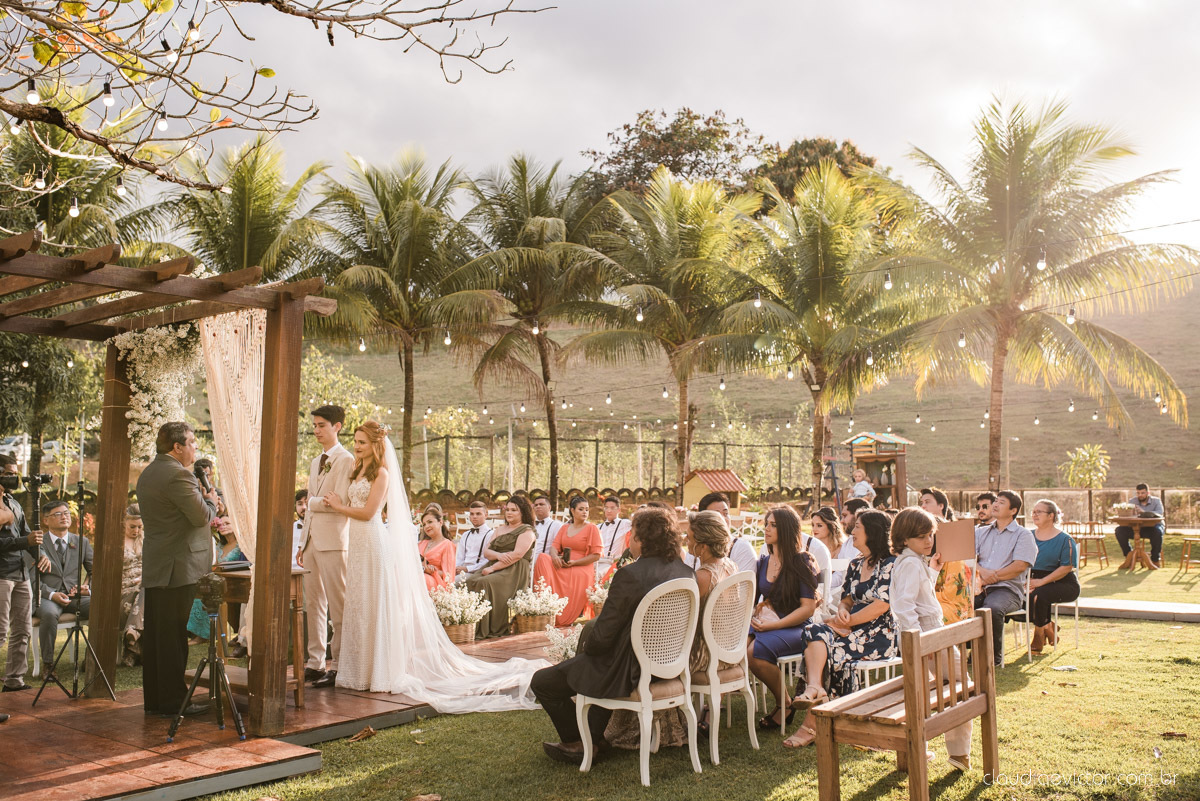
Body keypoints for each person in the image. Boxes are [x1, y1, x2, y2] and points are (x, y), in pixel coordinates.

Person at [318, 421, 545, 710]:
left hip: (373, 542)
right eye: (356, 441)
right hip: (357, 544)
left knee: (374, 605)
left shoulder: (383, 474)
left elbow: (368, 512)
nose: (357, 446)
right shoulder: (355, 470)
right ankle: (357, 671)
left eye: (362, 442)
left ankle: (379, 672)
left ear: (376, 445)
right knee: (359, 605)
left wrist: (338, 506)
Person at [531, 506, 695, 765]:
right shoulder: (685, 572)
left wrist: (586, 647)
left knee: (542, 681)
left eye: (632, 534)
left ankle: (578, 743)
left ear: (640, 540)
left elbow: (604, 636)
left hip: (629, 668)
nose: (629, 539)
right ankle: (595, 739)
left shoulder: (630, 575)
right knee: (590, 664)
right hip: (670, 664)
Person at [786, 510, 898, 748]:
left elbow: (882, 605)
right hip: (851, 627)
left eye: (857, 527)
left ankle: (811, 723)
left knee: (830, 650)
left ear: (873, 532)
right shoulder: (856, 563)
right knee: (814, 631)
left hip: (879, 633)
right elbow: (847, 598)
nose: (852, 531)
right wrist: (843, 610)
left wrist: (848, 622)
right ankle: (815, 687)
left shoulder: (890, 564)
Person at [137, 421, 220, 717]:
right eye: (192, 442)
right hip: (178, 566)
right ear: (177, 447)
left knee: (158, 636)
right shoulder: (178, 476)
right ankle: (174, 702)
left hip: (160, 563)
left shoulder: (150, 472)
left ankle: (157, 701)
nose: (195, 448)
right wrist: (210, 502)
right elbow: (200, 517)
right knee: (173, 637)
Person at [886, 507, 972, 771]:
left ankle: (923, 750)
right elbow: (904, 607)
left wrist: (933, 571)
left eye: (931, 535)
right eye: (921, 536)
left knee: (922, 690)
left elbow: (920, 596)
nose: (928, 541)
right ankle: (957, 753)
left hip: (924, 633)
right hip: (926, 635)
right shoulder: (910, 563)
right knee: (962, 687)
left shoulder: (912, 561)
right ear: (903, 539)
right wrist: (921, 644)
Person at [747, 506, 820, 731]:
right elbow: (756, 598)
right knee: (739, 647)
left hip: (797, 627)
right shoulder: (763, 562)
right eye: (766, 524)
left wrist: (774, 625)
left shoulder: (802, 561)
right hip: (767, 623)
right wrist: (753, 615)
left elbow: (807, 609)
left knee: (754, 654)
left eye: (773, 525)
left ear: (787, 529)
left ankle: (784, 704)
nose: (767, 529)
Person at [299, 405, 354, 687]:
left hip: (334, 541)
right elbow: (314, 505)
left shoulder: (346, 460)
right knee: (313, 604)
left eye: (321, 425)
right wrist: (302, 541)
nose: (316, 430)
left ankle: (340, 663)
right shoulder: (314, 461)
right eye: (315, 425)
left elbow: (339, 502)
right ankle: (315, 662)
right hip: (311, 541)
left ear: (337, 427)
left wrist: (311, 503)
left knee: (338, 605)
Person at [974, 490, 1037, 667]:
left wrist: (991, 577)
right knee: (964, 605)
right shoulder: (980, 532)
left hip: (1008, 590)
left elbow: (1019, 566)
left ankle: (992, 657)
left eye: (1001, 502)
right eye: (996, 501)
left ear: (1013, 510)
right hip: (980, 586)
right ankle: (970, 651)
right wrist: (982, 574)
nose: (995, 505)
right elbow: (969, 559)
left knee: (992, 609)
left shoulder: (1023, 535)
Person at [0, 453, 46, 694]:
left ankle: (14, 680)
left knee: (23, 629)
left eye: (15, 473)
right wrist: (23, 541)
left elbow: (27, 535)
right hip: (1, 574)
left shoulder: (14, 503)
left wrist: (40, 555)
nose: (14, 478)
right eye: (9, 473)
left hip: (20, 573)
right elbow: (18, 540)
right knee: (0, 631)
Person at [36, 499, 93, 678]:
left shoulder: (81, 541)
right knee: (49, 614)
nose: (64, 517)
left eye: (66, 513)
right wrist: (51, 594)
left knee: (101, 605)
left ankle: (91, 659)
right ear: (46, 520)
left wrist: (87, 588)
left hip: (75, 597)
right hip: (47, 597)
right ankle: (48, 665)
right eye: (58, 514)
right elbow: (31, 579)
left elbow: (95, 571)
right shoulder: (37, 543)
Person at [465, 497, 537, 638]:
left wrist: (493, 569)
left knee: (484, 582)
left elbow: (516, 555)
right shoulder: (500, 529)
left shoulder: (527, 532)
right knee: (470, 581)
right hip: (495, 563)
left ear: (523, 512)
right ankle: (470, 626)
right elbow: (487, 552)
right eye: (507, 510)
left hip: (513, 571)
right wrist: (497, 556)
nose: (509, 513)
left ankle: (490, 628)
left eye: (514, 510)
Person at [534, 496, 601, 626]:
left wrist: (575, 563)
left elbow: (596, 556)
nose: (585, 512)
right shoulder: (565, 528)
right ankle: (544, 607)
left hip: (581, 566)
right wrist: (554, 557)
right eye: (581, 509)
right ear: (572, 510)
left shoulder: (592, 528)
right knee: (543, 557)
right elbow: (554, 546)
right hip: (562, 563)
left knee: (573, 573)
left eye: (587, 509)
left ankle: (560, 615)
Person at [1028, 499, 1079, 654]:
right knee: (1025, 596)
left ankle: (1038, 635)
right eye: (1033, 511)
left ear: (1051, 516)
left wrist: (1040, 582)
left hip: (1062, 583)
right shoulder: (1027, 536)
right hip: (1032, 580)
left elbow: (1067, 567)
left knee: (1038, 596)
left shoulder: (1065, 539)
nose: (1034, 514)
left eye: (1039, 512)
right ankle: (1048, 626)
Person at [919, 487, 973, 625]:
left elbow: (951, 595)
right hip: (929, 604)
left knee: (920, 619)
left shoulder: (953, 555)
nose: (926, 539)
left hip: (953, 607)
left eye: (930, 534)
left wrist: (920, 598)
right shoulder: (922, 553)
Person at [186, 516, 243, 645]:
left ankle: (203, 635)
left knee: (206, 594)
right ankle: (198, 633)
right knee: (197, 592)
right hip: (215, 579)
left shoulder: (241, 545)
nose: (223, 526)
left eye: (227, 523)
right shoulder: (219, 545)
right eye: (220, 524)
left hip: (233, 581)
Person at [697, 492, 757, 573]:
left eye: (726, 514)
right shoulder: (695, 549)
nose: (724, 519)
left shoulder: (742, 548)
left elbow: (744, 584)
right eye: (717, 515)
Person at [811, 506, 859, 604]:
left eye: (819, 525)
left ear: (830, 526)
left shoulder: (843, 547)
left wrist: (821, 586)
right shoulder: (811, 549)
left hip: (837, 594)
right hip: (815, 591)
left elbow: (842, 577)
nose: (814, 529)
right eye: (813, 525)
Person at [1114, 483, 1165, 567]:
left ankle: (1155, 560)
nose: (1140, 495)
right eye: (1138, 493)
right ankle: (1128, 557)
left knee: (1157, 532)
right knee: (1119, 530)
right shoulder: (1133, 501)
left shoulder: (1156, 501)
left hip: (1152, 527)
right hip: (1137, 528)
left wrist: (1144, 512)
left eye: (1142, 493)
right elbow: (1129, 515)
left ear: (1148, 493)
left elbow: (1159, 513)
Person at [119, 505, 145, 667]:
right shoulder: (116, 542)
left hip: (144, 584)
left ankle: (132, 634)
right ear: (123, 524)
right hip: (124, 589)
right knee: (147, 592)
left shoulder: (146, 540)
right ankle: (132, 644)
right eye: (132, 527)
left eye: (140, 527)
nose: (136, 530)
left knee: (147, 589)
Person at [418, 505, 456, 592]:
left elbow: (449, 575)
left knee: (419, 579)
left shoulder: (447, 545)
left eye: (430, 522)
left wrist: (430, 571)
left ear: (440, 522)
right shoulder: (421, 544)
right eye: (424, 524)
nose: (427, 526)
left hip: (435, 583)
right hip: (417, 576)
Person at [455, 501, 495, 577]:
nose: (474, 516)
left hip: (478, 572)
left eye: (478, 514)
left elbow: (488, 561)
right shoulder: (465, 535)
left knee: (450, 583)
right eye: (472, 514)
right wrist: (456, 569)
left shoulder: (491, 534)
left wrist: (467, 569)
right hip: (461, 572)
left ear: (486, 515)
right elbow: (459, 557)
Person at [595, 496, 631, 579]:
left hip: (612, 562)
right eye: (606, 508)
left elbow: (639, 524)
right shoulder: (598, 527)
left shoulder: (625, 524)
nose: (609, 510)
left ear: (619, 510)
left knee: (597, 575)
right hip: (597, 561)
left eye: (612, 508)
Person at [531, 495, 564, 562]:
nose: (538, 506)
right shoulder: (530, 525)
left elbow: (560, 547)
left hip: (545, 564)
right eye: (536, 505)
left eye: (541, 504)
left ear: (549, 507)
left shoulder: (557, 525)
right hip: (527, 565)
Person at [292, 490, 308, 570]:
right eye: (300, 504)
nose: (304, 507)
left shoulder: (319, 529)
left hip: (311, 573)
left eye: (307, 503)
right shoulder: (290, 529)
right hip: (291, 572)